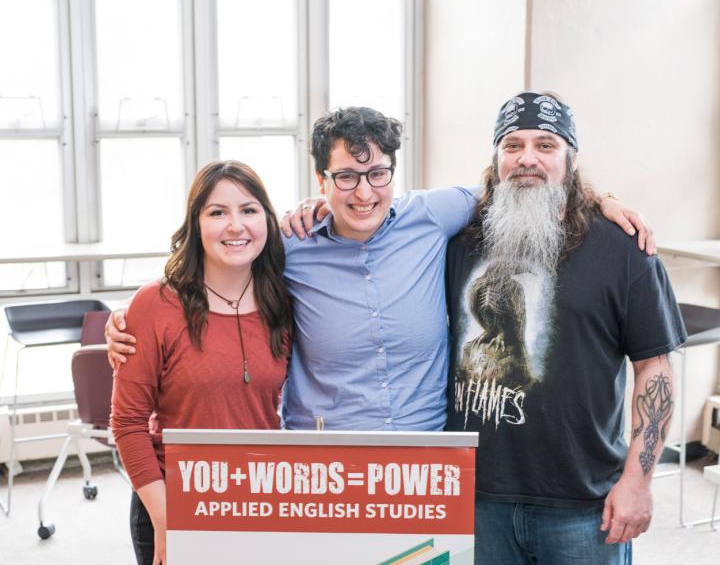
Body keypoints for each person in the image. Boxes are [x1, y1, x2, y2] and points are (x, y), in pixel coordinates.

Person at [107, 107, 653, 433]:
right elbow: (215, 255)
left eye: (377, 174)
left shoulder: (434, 214)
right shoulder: (289, 242)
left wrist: (599, 198)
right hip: (324, 461)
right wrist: (130, 319)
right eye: (345, 177)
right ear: (320, 178)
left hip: (425, 458)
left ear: (395, 171)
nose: (364, 192)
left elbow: (525, 183)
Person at [445, 91, 687, 564]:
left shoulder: (623, 248)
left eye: (546, 145)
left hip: (583, 504)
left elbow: (654, 368)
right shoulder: (458, 241)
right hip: (476, 498)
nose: (527, 158)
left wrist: (637, 482)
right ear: (496, 159)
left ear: (571, 160)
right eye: (512, 145)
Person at [110, 160, 292, 565]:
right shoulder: (154, 305)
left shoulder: (283, 300)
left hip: (256, 499)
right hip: (171, 501)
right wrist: (167, 521)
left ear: (267, 219)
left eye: (248, 210)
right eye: (217, 212)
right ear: (196, 224)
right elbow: (127, 423)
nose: (235, 226)